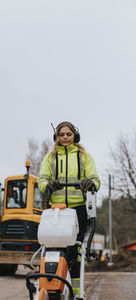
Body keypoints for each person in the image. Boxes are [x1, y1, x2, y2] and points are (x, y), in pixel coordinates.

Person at [38, 121, 101, 297]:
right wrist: (49, 184)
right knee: (51, 249)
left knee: (75, 252)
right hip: (56, 212)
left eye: (68, 134)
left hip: (78, 211)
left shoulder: (84, 157)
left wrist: (90, 184)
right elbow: (41, 181)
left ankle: (76, 292)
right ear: (56, 137)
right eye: (62, 135)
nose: (65, 137)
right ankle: (49, 286)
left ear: (75, 136)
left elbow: (96, 180)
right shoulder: (49, 158)